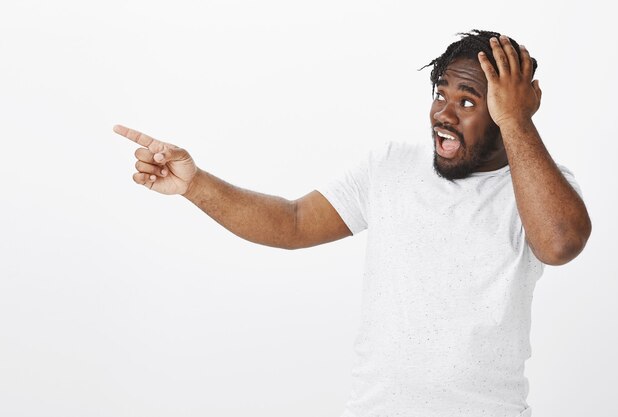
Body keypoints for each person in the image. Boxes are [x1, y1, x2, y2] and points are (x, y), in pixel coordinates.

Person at [113, 30, 591, 417]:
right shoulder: (391, 167)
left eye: (468, 102)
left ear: (511, 111)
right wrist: (195, 185)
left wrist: (518, 123)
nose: (443, 113)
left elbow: (560, 244)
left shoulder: (537, 185)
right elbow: (294, 223)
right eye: (440, 93)